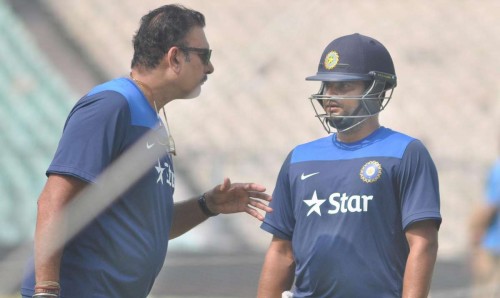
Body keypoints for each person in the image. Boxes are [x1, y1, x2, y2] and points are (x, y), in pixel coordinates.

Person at [20, 4, 272, 298]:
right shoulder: (112, 105)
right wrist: (47, 291)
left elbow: (153, 228)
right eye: (205, 56)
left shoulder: (148, 117)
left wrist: (208, 205)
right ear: (175, 57)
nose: (210, 67)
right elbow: (52, 201)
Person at [257, 33, 441, 298]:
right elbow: (281, 250)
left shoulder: (405, 152)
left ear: (376, 90)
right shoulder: (299, 158)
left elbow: (423, 244)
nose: (330, 96)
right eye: (327, 86)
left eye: (344, 87)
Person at [470, 153, 500, 298]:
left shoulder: (498, 170)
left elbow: (491, 206)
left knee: (487, 291)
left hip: (494, 245)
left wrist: (476, 229)